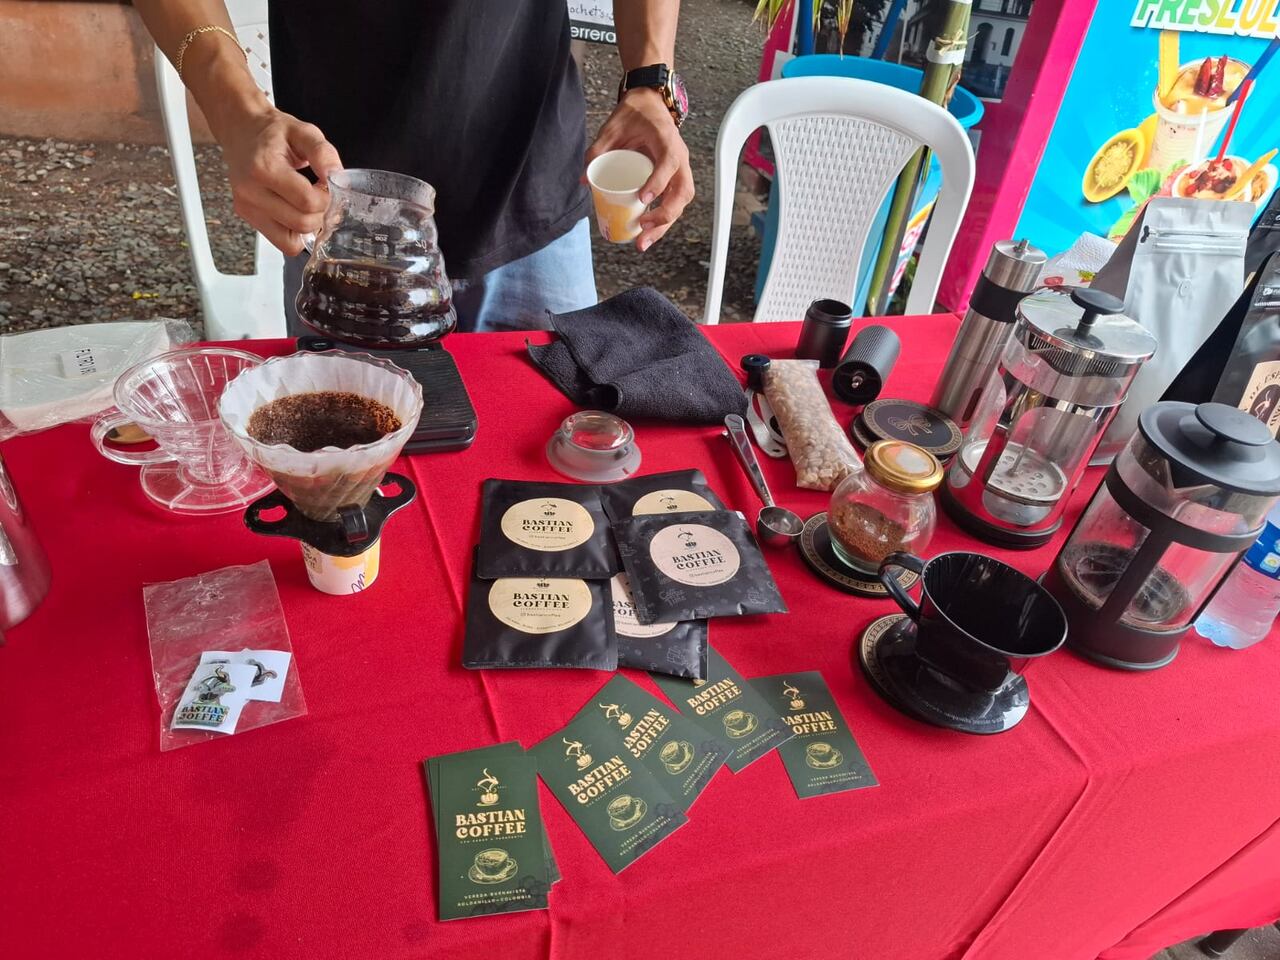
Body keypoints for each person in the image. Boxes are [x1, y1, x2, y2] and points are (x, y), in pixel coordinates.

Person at [135, 1, 694, 333]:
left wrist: (650, 82)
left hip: (536, 191)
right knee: (348, 478)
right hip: (343, 215)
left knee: (557, 471)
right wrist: (240, 112)